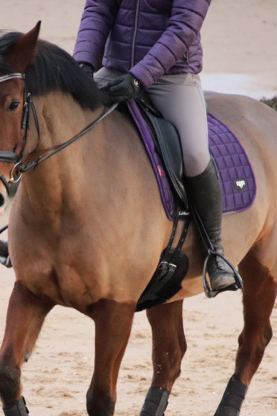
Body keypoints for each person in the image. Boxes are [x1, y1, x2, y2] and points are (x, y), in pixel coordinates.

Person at [73, 0, 240, 295]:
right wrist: (84, 63)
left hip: (172, 77)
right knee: (61, 120)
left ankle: (216, 254)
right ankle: (25, 232)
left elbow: (184, 27)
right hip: (115, 71)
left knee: (194, 154)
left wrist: (139, 78)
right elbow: (99, 8)